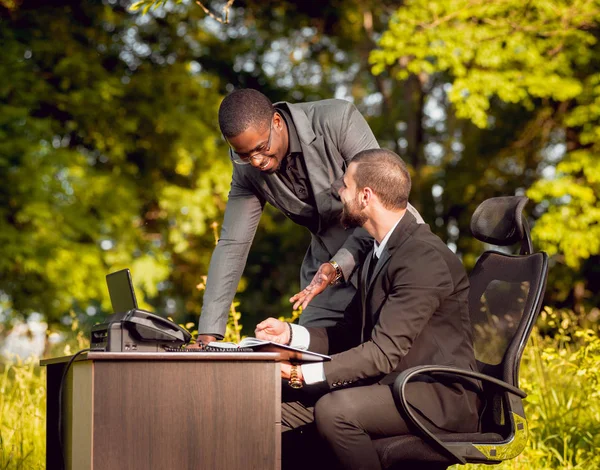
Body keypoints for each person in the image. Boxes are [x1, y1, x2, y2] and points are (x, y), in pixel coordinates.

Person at [254, 148, 481, 470]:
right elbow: (349, 332)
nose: (338, 191)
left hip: (437, 395)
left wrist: (298, 374)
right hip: (394, 383)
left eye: (345, 185)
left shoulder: (422, 258)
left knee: (336, 411)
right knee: (274, 404)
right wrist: (291, 335)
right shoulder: (381, 251)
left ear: (365, 196)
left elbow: (383, 353)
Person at [194, 89, 423, 343]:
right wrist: (208, 335)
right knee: (307, 357)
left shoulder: (338, 120)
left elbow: (381, 202)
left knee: (399, 349)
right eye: (245, 155)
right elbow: (232, 245)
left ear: (277, 122)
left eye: (261, 148)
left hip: (389, 251)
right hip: (325, 276)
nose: (256, 162)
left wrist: (339, 265)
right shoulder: (246, 169)